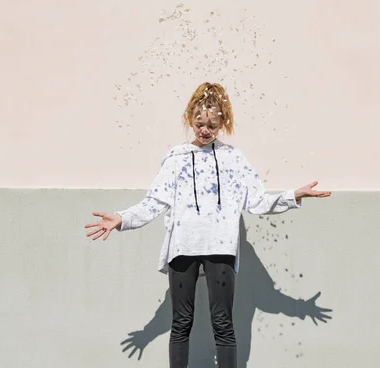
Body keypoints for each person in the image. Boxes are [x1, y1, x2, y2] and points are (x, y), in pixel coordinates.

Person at [84, 82, 331, 368]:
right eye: (200, 123)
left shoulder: (233, 159)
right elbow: (153, 202)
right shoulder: (176, 158)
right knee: (181, 323)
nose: (205, 130)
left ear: (222, 123)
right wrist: (121, 218)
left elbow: (257, 202)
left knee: (223, 323)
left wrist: (293, 195)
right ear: (190, 118)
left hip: (221, 247)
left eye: (212, 125)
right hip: (183, 248)